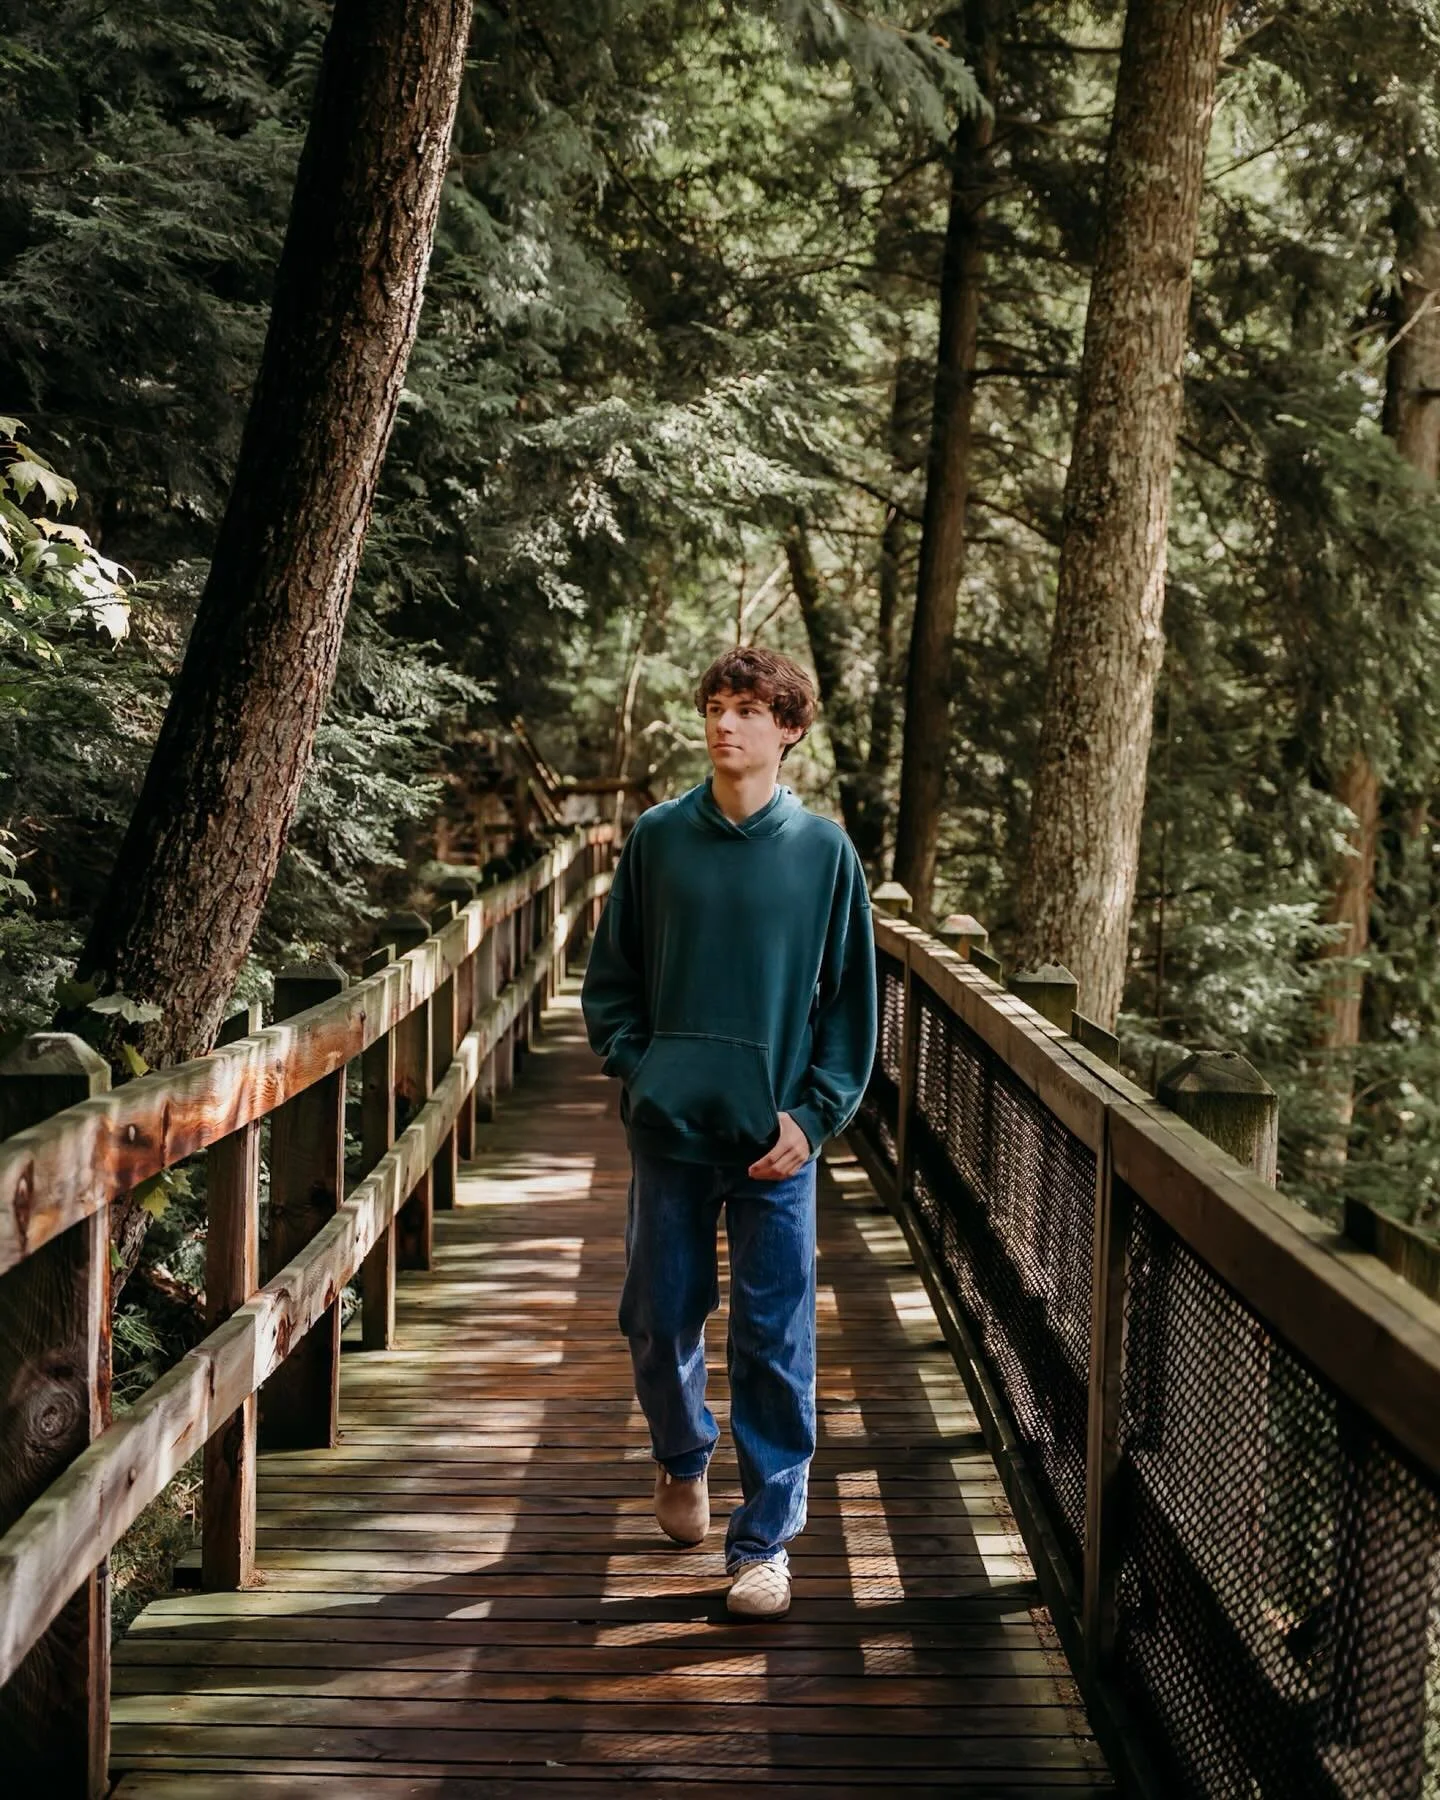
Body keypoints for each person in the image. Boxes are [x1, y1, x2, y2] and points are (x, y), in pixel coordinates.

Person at [581, 646, 877, 1619]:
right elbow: (611, 981)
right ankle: (681, 1455)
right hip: (670, 1129)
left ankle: (764, 1545)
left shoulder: (826, 854)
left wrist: (817, 1116)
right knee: (657, 1314)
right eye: (715, 706)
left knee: (774, 1335)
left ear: (788, 729)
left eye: (749, 710)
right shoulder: (659, 840)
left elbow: (850, 1014)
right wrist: (643, 1065)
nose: (725, 725)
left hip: (777, 1139)